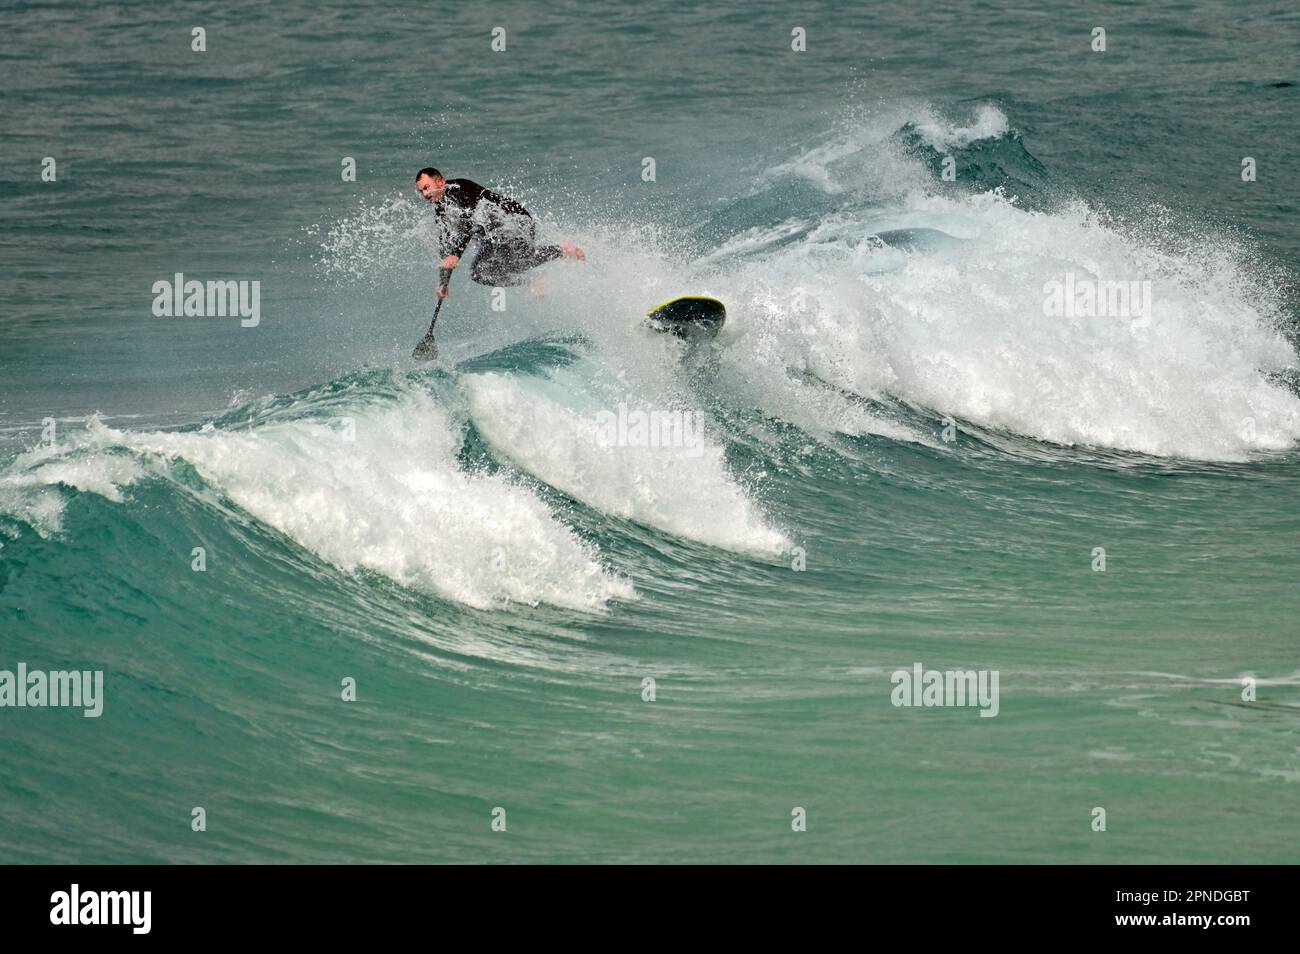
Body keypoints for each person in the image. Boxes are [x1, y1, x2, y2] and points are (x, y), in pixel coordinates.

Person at [414, 167, 585, 298]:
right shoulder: (440, 208)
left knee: (522, 257)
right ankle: (532, 279)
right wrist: (443, 282)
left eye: (427, 187)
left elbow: (469, 225)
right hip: (493, 234)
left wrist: (456, 254)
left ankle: (562, 250)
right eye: (421, 191)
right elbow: (446, 248)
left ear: (440, 183)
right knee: (480, 273)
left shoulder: (459, 189)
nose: (425, 194)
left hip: (513, 220)